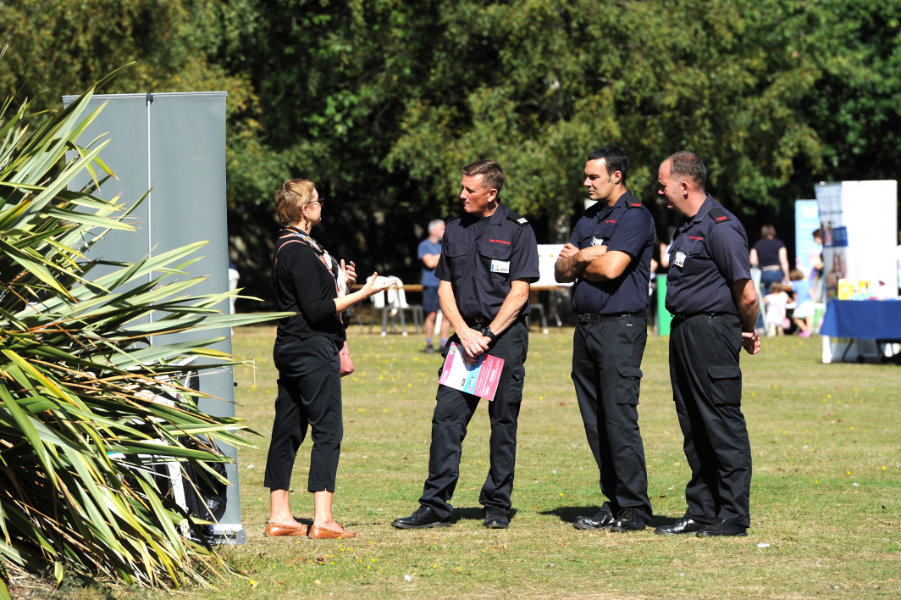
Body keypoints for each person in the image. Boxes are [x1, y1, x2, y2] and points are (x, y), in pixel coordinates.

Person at [392, 160, 540, 530]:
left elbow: (520, 292)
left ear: (491, 194)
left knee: (502, 422)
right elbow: (444, 287)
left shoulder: (519, 231)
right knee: (447, 419)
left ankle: (496, 504)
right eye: (461, 188)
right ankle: (435, 505)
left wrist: (488, 335)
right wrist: (463, 331)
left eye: (469, 190)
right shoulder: (454, 230)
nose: (461, 195)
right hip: (464, 338)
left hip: (502, 339)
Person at [264, 179, 393, 539]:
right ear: (305, 211)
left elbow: (318, 299)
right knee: (328, 431)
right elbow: (319, 310)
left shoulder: (295, 247)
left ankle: (280, 517)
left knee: (288, 429)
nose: (322, 205)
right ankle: (323, 520)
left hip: (293, 347)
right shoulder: (299, 250)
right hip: (310, 349)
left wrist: (344, 286)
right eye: (317, 201)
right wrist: (365, 293)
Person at [653, 151, 761, 537]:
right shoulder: (685, 227)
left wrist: (745, 330)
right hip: (683, 331)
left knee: (720, 420)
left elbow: (746, 294)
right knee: (693, 423)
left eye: (663, 183)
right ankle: (702, 510)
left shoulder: (721, 226)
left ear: (685, 185)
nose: (660, 191)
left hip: (713, 331)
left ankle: (733, 515)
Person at [553, 146, 656, 532]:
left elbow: (612, 268)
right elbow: (561, 270)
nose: (586, 182)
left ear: (616, 176)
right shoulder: (588, 217)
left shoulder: (636, 216)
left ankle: (634, 507)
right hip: (586, 328)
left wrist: (583, 259)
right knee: (595, 421)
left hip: (619, 327)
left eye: (593, 176)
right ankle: (613, 501)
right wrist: (582, 258)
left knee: (619, 417)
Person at [418, 219, 451, 353]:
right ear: (433, 231)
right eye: (442, 229)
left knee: (447, 315)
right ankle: (429, 343)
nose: (445, 231)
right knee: (431, 314)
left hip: (445, 283)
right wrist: (445, 253)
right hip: (430, 284)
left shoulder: (445, 244)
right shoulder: (424, 245)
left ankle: (443, 343)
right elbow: (430, 263)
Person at [749, 224, 790, 293]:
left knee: (765, 298)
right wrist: (786, 276)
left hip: (763, 274)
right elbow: (783, 261)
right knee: (777, 295)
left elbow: (752, 261)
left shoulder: (757, 244)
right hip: (776, 273)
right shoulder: (779, 244)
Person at [788, 268, 816, 337]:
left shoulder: (795, 284)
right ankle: (809, 331)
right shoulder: (807, 282)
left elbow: (795, 294)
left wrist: (794, 301)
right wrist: (814, 301)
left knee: (795, 317)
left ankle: (805, 330)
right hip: (809, 302)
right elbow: (811, 292)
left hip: (801, 303)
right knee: (809, 318)